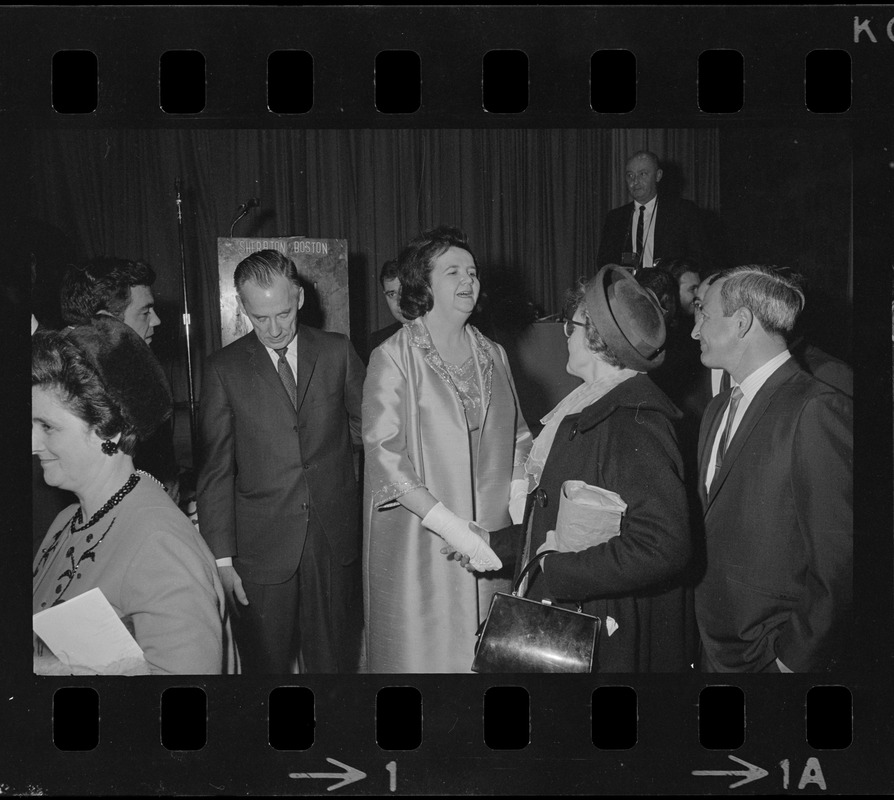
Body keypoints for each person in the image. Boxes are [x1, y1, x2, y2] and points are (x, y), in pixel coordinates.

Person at [491, 265, 696, 672]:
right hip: (579, 611)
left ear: (599, 338)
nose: (566, 333)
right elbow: (562, 518)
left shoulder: (635, 418)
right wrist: (494, 542)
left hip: (600, 626)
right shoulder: (592, 404)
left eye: (573, 324)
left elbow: (663, 546)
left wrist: (558, 569)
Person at [362, 226, 532, 673]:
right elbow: (384, 454)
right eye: (453, 270)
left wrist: (517, 516)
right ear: (423, 283)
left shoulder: (494, 353)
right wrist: (453, 529)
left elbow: (519, 437)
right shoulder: (394, 357)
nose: (468, 280)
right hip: (425, 546)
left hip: (491, 549)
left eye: (472, 272)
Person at [32, 317, 237, 675]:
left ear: (107, 431)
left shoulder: (159, 546)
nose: (33, 444)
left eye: (48, 426)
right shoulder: (67, 520)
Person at [197, 249, 365, 674]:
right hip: (260, 549)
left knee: (333, 668)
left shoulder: (338, 352)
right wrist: (222, 559)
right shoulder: (223, 369)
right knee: (265, 669)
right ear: (242, 308)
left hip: (331, 541)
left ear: (300, 297)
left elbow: (371, 434)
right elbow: (215, 470)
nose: (273, 329)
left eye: (283, 313)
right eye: (259, 318)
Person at [691, 265, 852, 672]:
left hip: (769, 655)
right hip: (713, 646)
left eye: (704, 316)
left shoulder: (816, 407)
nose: (694, 331)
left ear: (742, 322)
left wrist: (792, 658)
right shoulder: (715, 410)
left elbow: (839, 560)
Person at [60, 257, 179, 500]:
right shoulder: (70, 386)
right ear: (105, 321)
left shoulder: (125, 373)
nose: (156, 320)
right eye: (145, 311)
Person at [597, 151, 708, 270]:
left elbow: (698, 258)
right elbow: (604, 264)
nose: (635, 182)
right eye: (630, 175)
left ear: (658, 175)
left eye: (642, 174)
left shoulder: (683, 211)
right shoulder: (615, 218)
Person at [365, 259, 408, 359]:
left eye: (404, 292)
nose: (399, 302)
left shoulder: (443, 333)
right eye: (392, 294)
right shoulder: (379, 342)